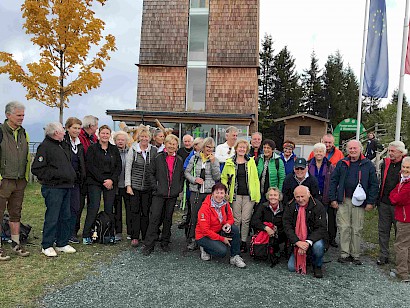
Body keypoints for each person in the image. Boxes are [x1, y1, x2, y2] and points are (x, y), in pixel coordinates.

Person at [329, 140, 379, 265]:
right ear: (347, 150)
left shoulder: (368, 165)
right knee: (344, 227)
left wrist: (371, 201)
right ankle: (344, 253)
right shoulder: (342, 163)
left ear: (360, 149)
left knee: (357, 228)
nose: (352, 150)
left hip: (360, 201)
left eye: (355, 148)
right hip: (344, 200)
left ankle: (355, 254)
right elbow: (333, 181)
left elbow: (374, 184)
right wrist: (333, 199)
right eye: (350, 148)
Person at [32, 122, 77, 257]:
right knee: (53, 216)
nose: (64, 132)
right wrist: (56, 176)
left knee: (66, 216)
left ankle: (62, 243)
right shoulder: (44, 147)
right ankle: (47, 245)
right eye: (63, 130)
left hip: (66, 186)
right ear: (56, 133)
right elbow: (37, 169)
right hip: (53, 188)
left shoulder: (63, 145)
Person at [142, 134, 184, 256]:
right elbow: (150, 173)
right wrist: (156, 187)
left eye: (174, 144)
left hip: (172, 195)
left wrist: (178, 188)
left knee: (168, 219)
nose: (171, 146)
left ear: (177, 146)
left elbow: (181, 176)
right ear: (165, 144)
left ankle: (165, 242)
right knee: (154, 218)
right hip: (159, 194)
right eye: (169, 143)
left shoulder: (179, 160)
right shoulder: (158, 157)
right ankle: (149, 244)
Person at [0, 101, 31, 261]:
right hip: (3, 180)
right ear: (8, 115)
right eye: (19, 115)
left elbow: (26, 157)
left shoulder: (24, 133)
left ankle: (15, 243)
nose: (21, 118)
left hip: (19, 181)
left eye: (23, 115)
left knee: (15, 213)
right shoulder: (1, 131)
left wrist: (25, 177)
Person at [82, 125, 121, 244]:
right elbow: (90, 166)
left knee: (109, 208)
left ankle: (108, 234)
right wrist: (103, 180)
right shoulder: (92, 149)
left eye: (107, 134)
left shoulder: (114, 149)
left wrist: (111, 180)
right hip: (95, 182)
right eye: (103, 133)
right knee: (94, 207)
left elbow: (118, 167)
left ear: (110, 135)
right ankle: (87, 234)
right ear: (99, 134)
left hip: (110, 182)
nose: (105, 136)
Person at [221, 139, 260, 253]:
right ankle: (236, 240)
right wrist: (226, 191)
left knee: (246, 219)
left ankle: (243, 241)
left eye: (244, 147)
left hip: (249, 195)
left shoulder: (251, 162)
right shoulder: (230, 162)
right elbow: (224, 178)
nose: (242, 149)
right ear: (236, 148)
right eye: (240, 147)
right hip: (235, 194)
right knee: (237, 220)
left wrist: (257, 196)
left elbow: (255, 179)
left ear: (246, 150)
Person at [196, 183, 246, 268]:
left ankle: (235, 256)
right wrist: (222, 239)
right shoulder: (205, 208)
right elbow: (205, 231)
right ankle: (204, 248)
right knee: (222, 252)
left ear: (225, 194)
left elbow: (231, 219)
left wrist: (228, 224)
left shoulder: (225, 204)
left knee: (234, 229)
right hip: (203, 236)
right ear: (212, 194)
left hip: (218, 230)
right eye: (217, 193)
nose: (219, 195)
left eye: (222, 193)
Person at [283, 185, 327, 278]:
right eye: (297, 197)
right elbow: (287, 226)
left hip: (312, 239)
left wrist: (308, 242)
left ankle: (317, 265)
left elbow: (321, 228)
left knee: (318, 247)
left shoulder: (318, 206)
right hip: (297, 240)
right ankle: (305, 257)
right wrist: (297, 242)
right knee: (291, 268)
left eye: (302, 196)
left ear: (309, 195)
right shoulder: (290, 206)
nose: (300, 199)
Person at [185, 137, 220, 251]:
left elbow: (217, 177)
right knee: (194, 216)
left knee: (207, 218)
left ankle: (206, 240)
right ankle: (192, 239)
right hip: (196, 191)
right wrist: (194, 179)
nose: (209, 149)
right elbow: (187, 172)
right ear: (203, 147)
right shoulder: (195, 158)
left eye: (212, 147)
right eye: (208, 147)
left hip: (209, 192)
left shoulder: (215, 159)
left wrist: (214, 163)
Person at [125, 127, 157, 247]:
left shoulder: (153, 150)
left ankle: (145, 235)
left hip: (148, 187)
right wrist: (128, 185)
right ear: (139, 138)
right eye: (142, 136)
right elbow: (128, 169)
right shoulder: (133, 150)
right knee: (135, 212)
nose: (144, 139)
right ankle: (134, 236)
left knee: (146, 212)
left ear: (150, 138)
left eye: (146, 137)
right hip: (135, 186)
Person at [376, 141, 408, 265]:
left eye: (392, 151)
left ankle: (401, 258)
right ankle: (383, 255)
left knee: (400, 232)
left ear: (401, 152)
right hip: (384, 202)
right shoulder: (386, 163)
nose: (390, 153)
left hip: (400, 205)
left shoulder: (406, 164)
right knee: (383, 230)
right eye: (389, 151)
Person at [307, 143, 336, 247]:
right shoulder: (308, 165)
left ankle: (328, 240)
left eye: (321, 151)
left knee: (326, 220)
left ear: (325, 153)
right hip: (312, 197)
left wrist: (332, 197)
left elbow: (333, 182)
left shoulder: (330, 166)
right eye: (317, 151)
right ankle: (312, 238)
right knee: (312, 218)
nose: (319, 153)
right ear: (313, 153)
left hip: (325, 196)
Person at [63, 117, 86, 244]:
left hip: (76, 181)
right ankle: (62, 234)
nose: (77, 131)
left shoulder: (79, 144)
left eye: (79, 128)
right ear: (68, 128)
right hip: (64, 181)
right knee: (64, 209)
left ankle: (71, 233)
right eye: (74, 128)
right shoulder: (63, 142)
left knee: (75, 208)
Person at [75, 115, 99, 237]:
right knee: (78, 205)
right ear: (90, 126)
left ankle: (89, 229)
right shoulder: (80, 137)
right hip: (81, 176)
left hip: (92, 177)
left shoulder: (94, 138)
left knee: (93, 204)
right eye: (96, 126)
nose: (97, 128)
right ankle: (74, 230)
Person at [251, 187, 288, 264]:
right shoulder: (262, 206)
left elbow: (287, 223)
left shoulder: (285, 208)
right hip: (266, 232)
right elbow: (254, 221)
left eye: (275, 195)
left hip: (280, 233)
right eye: (271, 195)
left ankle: (283, 250)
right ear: (268, 196)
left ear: (279, 197)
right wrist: (266, 228)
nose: (273, 197)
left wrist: (276, 231)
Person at [389, 157, 410, 282]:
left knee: (401, 245)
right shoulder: (403, 181)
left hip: (405, 218)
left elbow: (396, 198)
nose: (405, 170)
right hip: (404, 216)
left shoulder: (407, 184)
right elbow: (394, 193)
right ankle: (406, 270)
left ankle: (402, 272)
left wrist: (395, 194)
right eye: (404, 167)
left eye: (408, 168)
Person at [179, 137, 204, 231]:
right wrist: (193, 179)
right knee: (191, 208)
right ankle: (190, 229)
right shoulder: (192, 156)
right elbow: (186, 168)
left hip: (203, 187)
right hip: (192, 186)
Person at [113, 131, 130, 242]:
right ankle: (118, 232)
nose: (120, 141)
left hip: (127, 185)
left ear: (126, 141)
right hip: (116, 186)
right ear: (115, 141)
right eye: (118, 139)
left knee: (129, 209)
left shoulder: (130, 152)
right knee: (117, 210)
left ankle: (130, 232)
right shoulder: (112, 152)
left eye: (122, 139)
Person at [256, 139, 285, 203]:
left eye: (268, 148)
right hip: (259, 192)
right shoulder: (258, 159)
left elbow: (281, 178)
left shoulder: (278, 161)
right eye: (264, 147)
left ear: (272, 149)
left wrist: (278, 192)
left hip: (272, 194)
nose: (266, 150)